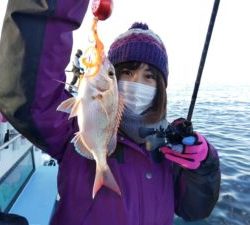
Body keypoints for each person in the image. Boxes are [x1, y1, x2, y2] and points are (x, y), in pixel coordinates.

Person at [0, 1, 220, 225]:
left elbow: (195, 210)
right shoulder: (73, 129)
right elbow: (27, 89)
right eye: (126, 72)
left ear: (161, 88)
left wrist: (204, 166)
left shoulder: (170, 149)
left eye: (149, 76)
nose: (137, 82)